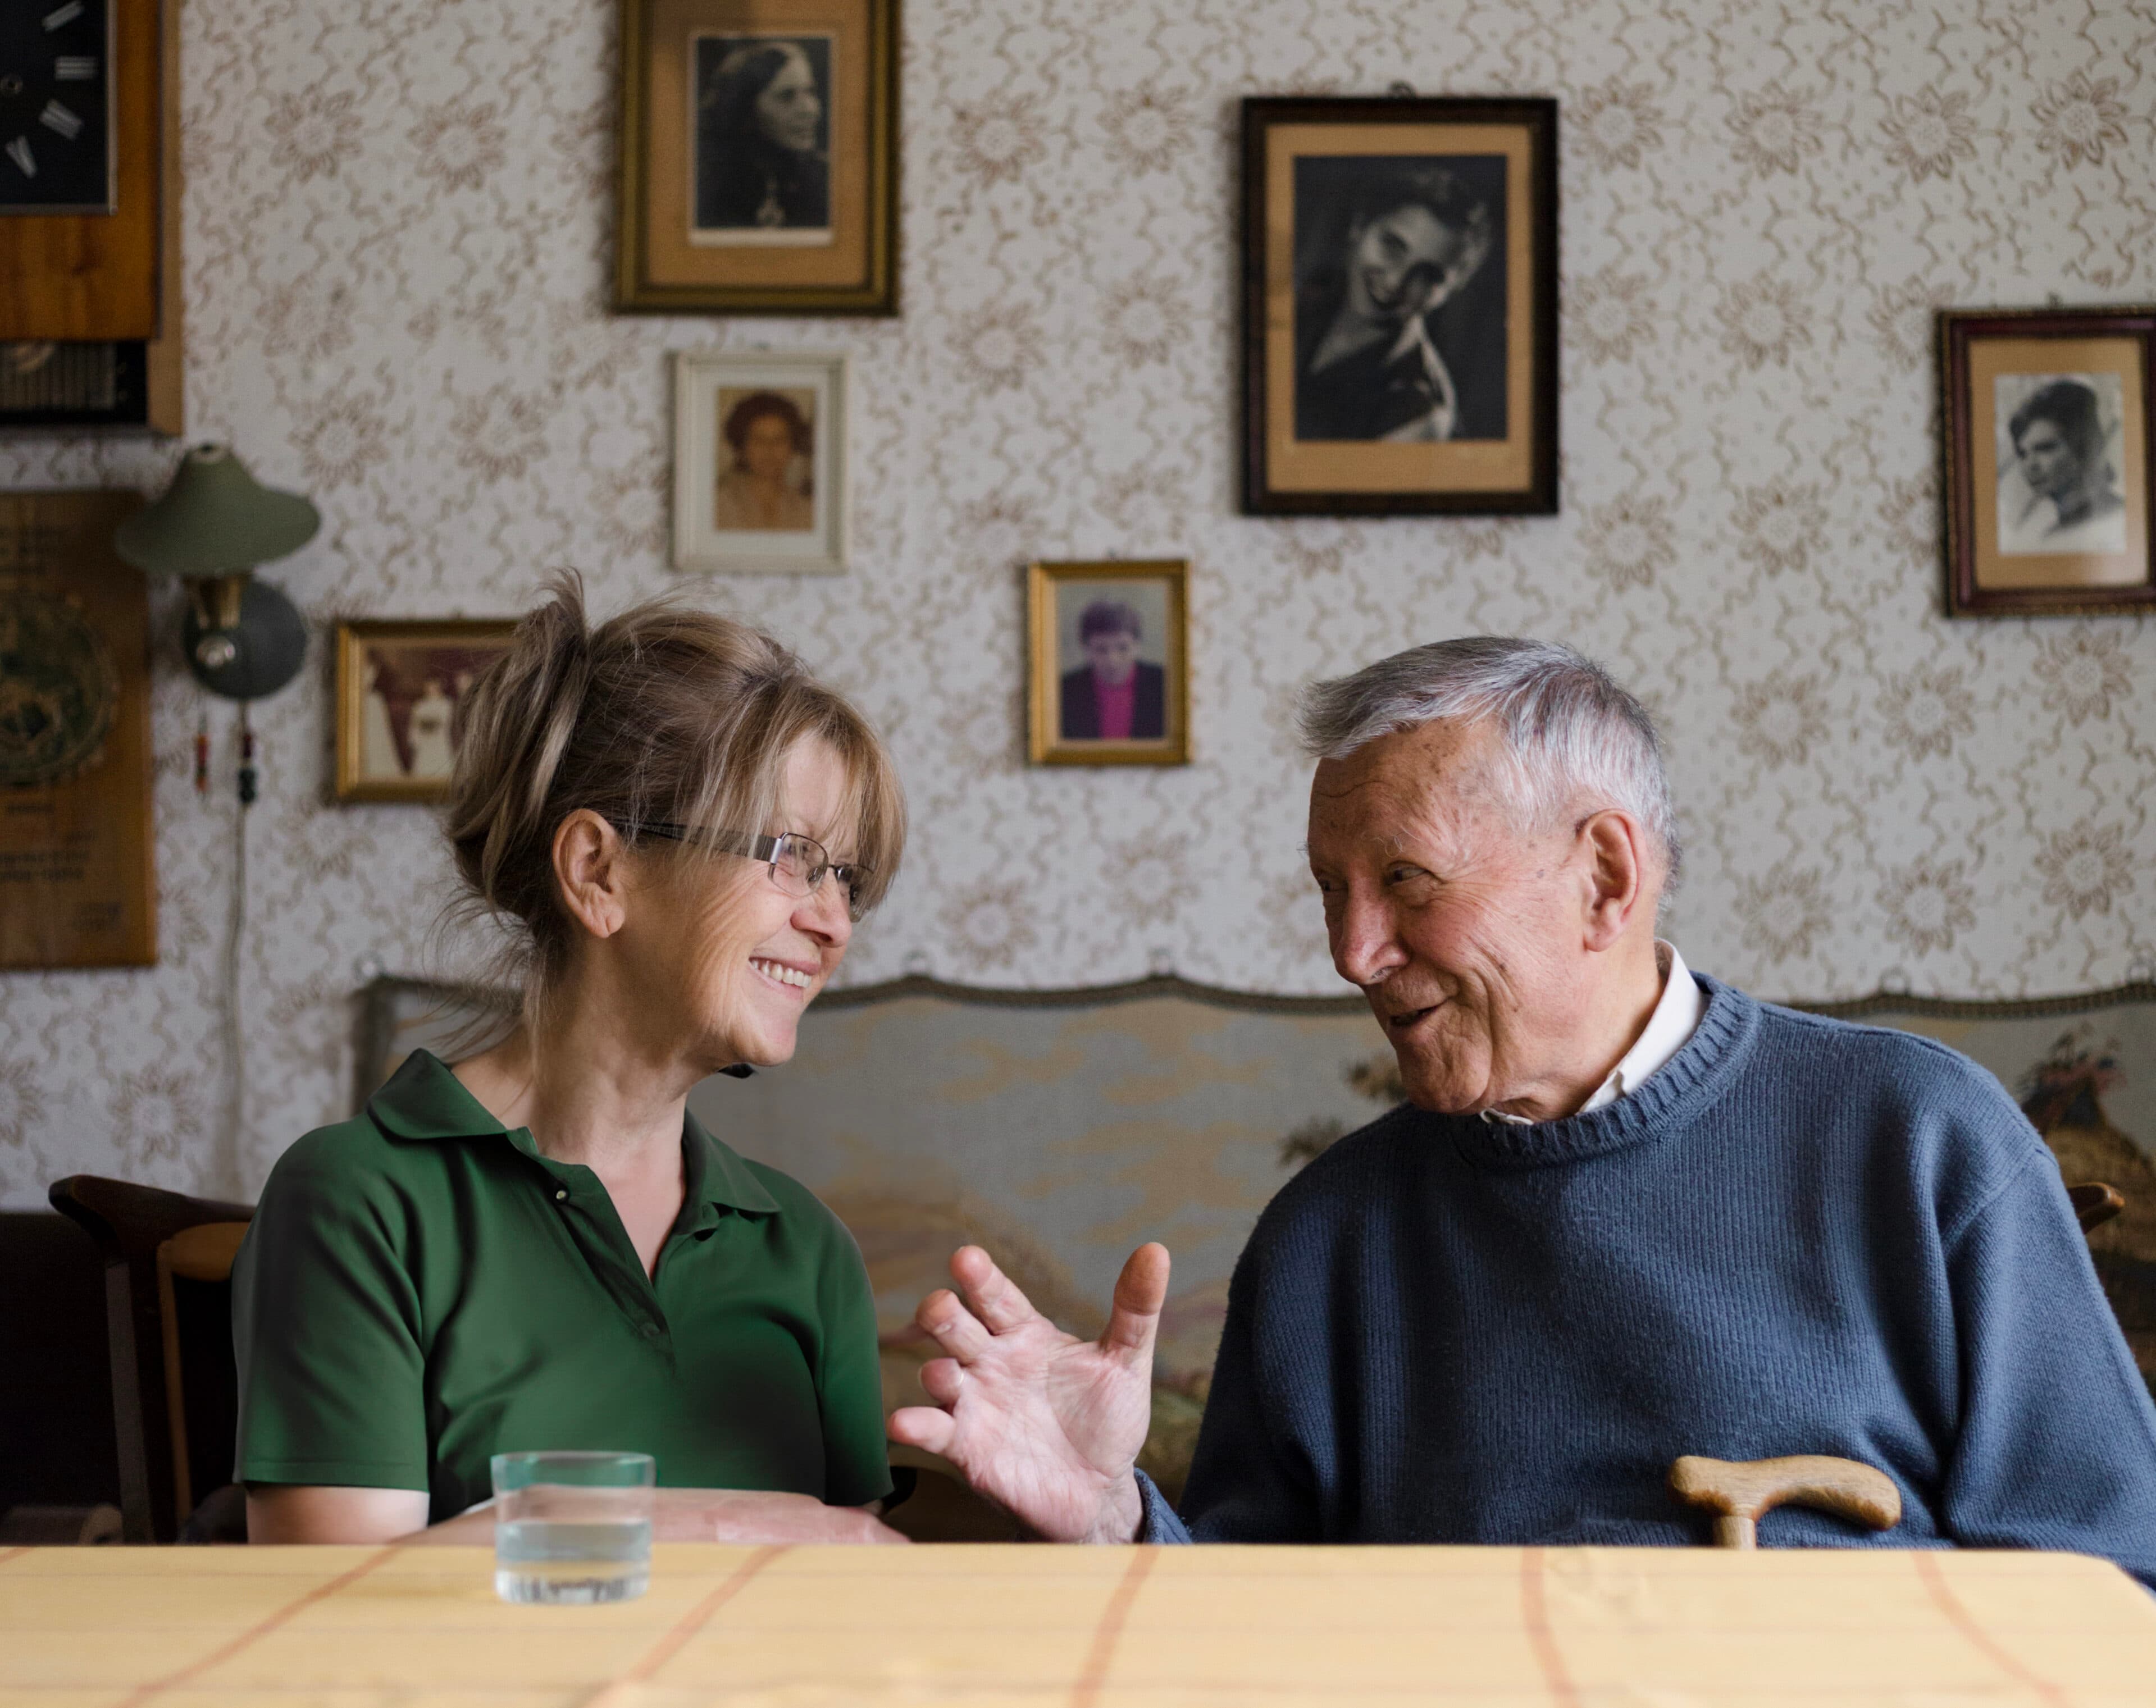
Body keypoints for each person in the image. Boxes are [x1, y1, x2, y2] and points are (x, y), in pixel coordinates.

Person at [890, 637, 2156, 1585]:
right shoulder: (1328, 1237)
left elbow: (2109, 1579)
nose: (1349, 950)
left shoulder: (1920, 1140)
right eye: (1330, 890)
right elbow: (1244, 1628)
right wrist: (1114, 1518)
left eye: (1402, 881)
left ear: (1603, 877)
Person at [232, 576, 908, 1546]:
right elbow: (329, 1613)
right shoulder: (357, 1200)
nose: (833, 922)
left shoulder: (805, 1250)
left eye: (846, 877)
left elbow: (846, 1598)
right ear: (597, 869)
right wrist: (708, 1522)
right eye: (790, 856)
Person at [1293, 160, 1501, 443]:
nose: (1395, 282)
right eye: (1392, 246)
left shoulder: (1417, 414)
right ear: (1359, 226)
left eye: (1428, 275)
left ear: (1452, 289)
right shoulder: (1303, 295)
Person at [695, 40, 829, 232]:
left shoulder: (824, 180)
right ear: (746, 110)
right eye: (787, 96)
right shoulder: (710, 186)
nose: (811, 110)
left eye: (810, 92)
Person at [2000, 377, 2127, 554]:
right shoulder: (2047, 540)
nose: (2030, 465)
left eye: (2045, 449)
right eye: (2023, 454)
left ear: (2083, 448)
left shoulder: (2122, 520)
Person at [1059, 600, 1165, 741]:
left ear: (1137, 645)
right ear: (1085, 649)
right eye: (1101, 649)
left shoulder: (1164, 684)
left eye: (1123, 648)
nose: (1112, 660)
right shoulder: (1064, 690)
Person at [713, 391, 814, 532]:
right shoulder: (717, 505)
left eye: (779, 440)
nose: (769, 449)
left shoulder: (808, 511)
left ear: (793, 446)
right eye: (759, 440)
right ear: (742, 447)